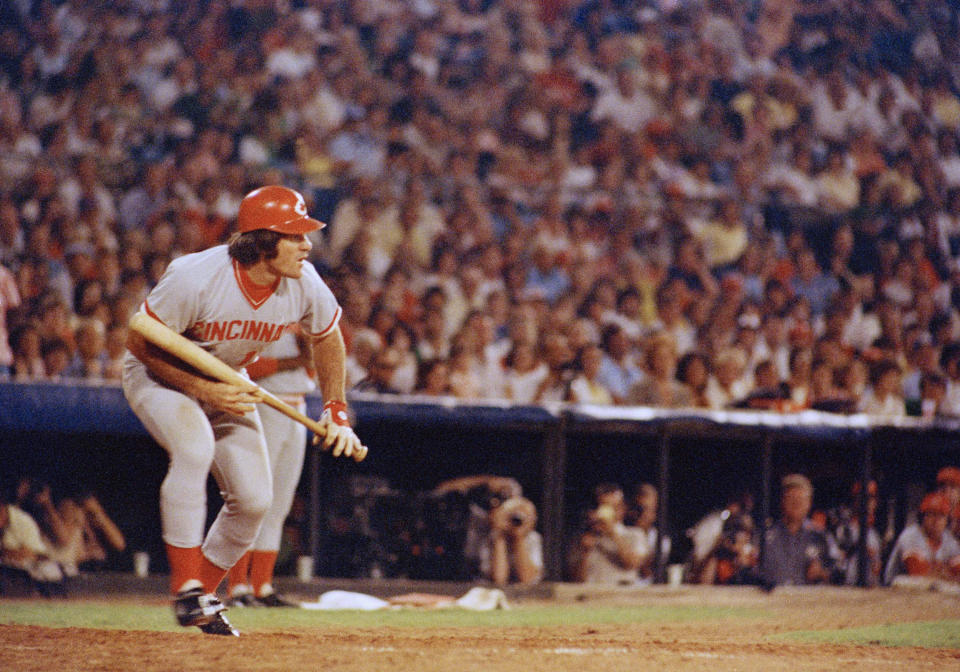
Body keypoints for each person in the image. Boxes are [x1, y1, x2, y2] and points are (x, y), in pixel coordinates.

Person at [122, 186, 367, 636]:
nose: (307, 245)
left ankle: (204, 601)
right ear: (261, 241)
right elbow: (139, 342)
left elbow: (328, 337)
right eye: (295, 236)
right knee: (193, 448)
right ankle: (185, 587)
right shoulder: (195, 275)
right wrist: (199, 387)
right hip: (161, 374)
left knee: (254, 501)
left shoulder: (303, 281)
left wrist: (336, 410)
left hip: (227, 378)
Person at [225, 326, 315, 608]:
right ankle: (238, 587)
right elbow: (247, 368)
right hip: (266, 404)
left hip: (296, 408)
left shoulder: (301, 323)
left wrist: (307, 350)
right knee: (255, 496)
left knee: (279, 503)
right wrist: (297, 359)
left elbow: (310, 371)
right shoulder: (262, 320)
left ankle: (262, 586)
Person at [432, 475, 543, 587]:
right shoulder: (482, 531)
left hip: (522, 598)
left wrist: (518, 537)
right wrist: (499, 536)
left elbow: (528, 580)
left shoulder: (531, 537)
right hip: (482, 589)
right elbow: (499, 581)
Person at [760, 474, 836, 588]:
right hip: (773, 601)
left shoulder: (820, 535)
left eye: (801, 499)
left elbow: (839, 569)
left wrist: (822, 573)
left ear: (809, 503)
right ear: (782, 501)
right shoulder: (766, 536)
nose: (796, 504)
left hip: (807, 601)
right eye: (791, 499)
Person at [569, 483, 648, 585]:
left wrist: (613, 533)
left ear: (622, 509)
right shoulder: (583, 539)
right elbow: (576, 580)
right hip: (592, 596)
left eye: (612, 508)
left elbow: (633, 563)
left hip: (621, 597)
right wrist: (584, 554)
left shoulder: (635, 534)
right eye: (601, 507)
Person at [883, 492, 960, 586]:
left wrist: (932, 569)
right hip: (895, 592)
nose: (936, 520)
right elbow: (918, 574)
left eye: (941, 515)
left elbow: (958, 574)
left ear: (947, 520)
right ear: (922, 517)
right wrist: (945, 570)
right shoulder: (910, 536)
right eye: (931, 514)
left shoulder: (950, 541)